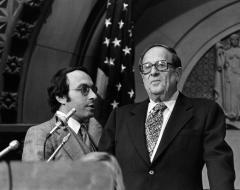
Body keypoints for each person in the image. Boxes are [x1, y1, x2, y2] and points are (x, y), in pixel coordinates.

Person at [99, 44, 235, 190]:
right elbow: (101, 171)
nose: (153, 72)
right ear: (143, 76)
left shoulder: (204, 112)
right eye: (147, 67)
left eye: (161, 65)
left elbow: (219, 167)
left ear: (177, 73)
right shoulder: (120, 117)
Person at [22, 66, 99, 161]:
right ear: (61, 96)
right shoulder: (41, 133)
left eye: (94, 90)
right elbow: (34, 175)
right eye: (84, 89)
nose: (94, 96)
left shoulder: (90, 135)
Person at [215, 34, 240, 121]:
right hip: (229, 76)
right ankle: (230, 114)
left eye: (236, 39)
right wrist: (220, 54)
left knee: (238, 94)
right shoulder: (227, 52)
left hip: (238, 75)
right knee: (230, 95)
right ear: (230, 41)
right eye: (232, 40)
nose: (234, 41)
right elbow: (221, 66)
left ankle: (238, 113)